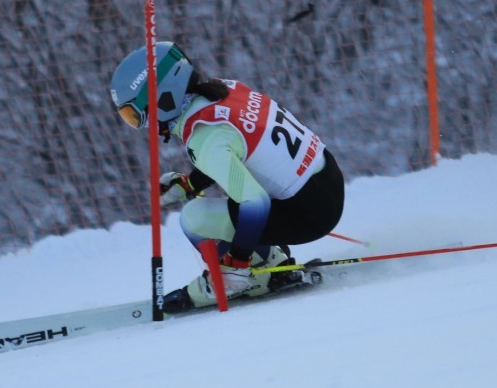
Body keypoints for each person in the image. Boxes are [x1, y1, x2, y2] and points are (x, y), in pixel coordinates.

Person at [109, 41, 345, 311]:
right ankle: (263, 262)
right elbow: (240, 149)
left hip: (309, 216)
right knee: (234, 200)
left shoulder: (204, 138)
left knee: (194, 218)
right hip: (327, 179)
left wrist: (237, 261)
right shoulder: (224, 89)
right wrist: (190, 184)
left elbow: (255, 202)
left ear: (163, 99)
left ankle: (248, 276)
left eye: (135, 115)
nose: (142, 126)